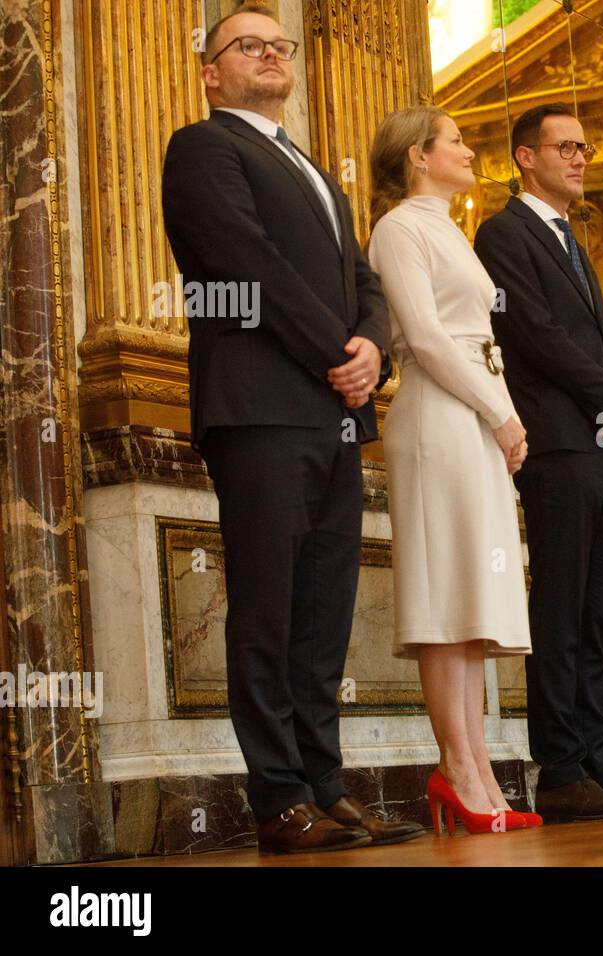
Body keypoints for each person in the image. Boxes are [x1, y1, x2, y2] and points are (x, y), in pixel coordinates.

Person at [161, 5, 421, 852]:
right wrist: (334, 353)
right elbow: (242, 261)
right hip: (263, 406)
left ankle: (324, 782)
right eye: (249, 45)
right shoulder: (204, 149)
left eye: (281, 46)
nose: (270, 56)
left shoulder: (313, 168)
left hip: (335, 411)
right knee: (268, 610)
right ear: (211, 71)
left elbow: (364, 281)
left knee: (322, 610)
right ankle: (277, 797)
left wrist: (373, 350)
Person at [474, 103, 603, 820]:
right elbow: (533, 334)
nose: (580, 157)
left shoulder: (572, 237)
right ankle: (561, 770)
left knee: (597, 611)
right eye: (565, 147)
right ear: (526, 158)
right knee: (561, 609)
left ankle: (600, 761)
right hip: (559, 443)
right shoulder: (503, 232)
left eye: (585, 147)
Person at [367, 105, 539, 834]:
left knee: (472, 596)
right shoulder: (398, 228)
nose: (470, 151)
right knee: (444, 598)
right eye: (457, 141)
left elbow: (474, 341)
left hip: (472, 410)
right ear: (416, 156)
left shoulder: (449, 229)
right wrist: (498, 412)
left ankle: (478, 771)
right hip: (438, 416)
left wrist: (500, 413)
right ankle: (457, 769)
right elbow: (429, 341)